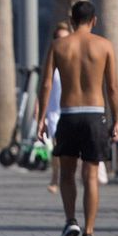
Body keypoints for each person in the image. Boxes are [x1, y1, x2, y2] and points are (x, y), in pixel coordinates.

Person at [37, 0, 118, 236]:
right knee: (91, 175)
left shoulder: (59, 45)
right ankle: (90, 234)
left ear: (71, 20)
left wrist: (41, 117)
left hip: (69, 114)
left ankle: (70, 220)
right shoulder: (104, 46)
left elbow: (46, 84)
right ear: (94, 20)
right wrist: (116, 120)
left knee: (67, 173)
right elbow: (113, 87)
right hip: (95, 114)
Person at [44, 22, 70, 193]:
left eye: (66, 38)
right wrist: (39, 110)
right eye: (59, 38)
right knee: (56, 150)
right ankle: (55, 178)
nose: (63, 41)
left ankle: (68, 178)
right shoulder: (51, 61)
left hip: (72, 111)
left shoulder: (76, 60)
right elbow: (44, 87)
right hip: (54, 113)